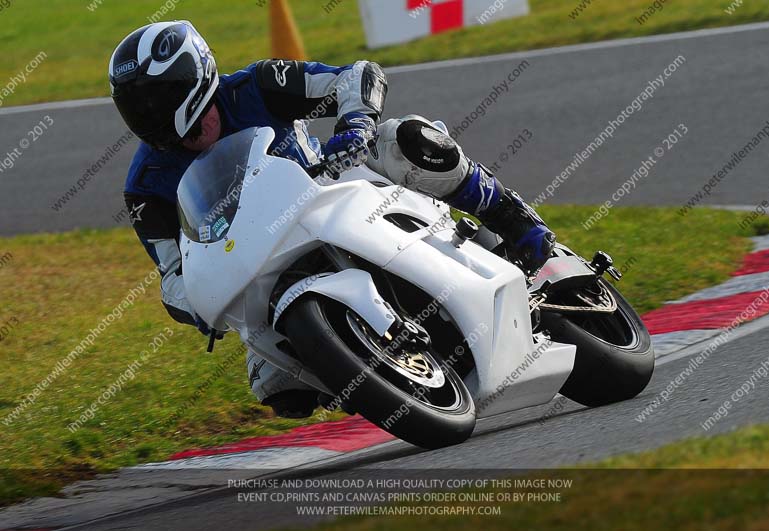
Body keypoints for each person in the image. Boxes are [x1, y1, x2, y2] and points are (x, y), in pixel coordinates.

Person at [111, 21, 556, 418]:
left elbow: (356, 76)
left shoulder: (257, 87)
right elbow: (172, 274)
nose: (152, 116)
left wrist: (356, 123)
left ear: (197, 77)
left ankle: (510, 216)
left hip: (331, 190)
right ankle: (376, 367)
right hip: (259, 263)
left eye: (159, 100)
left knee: (407, 139)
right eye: (138, 107)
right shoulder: (145, 185)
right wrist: (200, 303)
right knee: (280, 389)